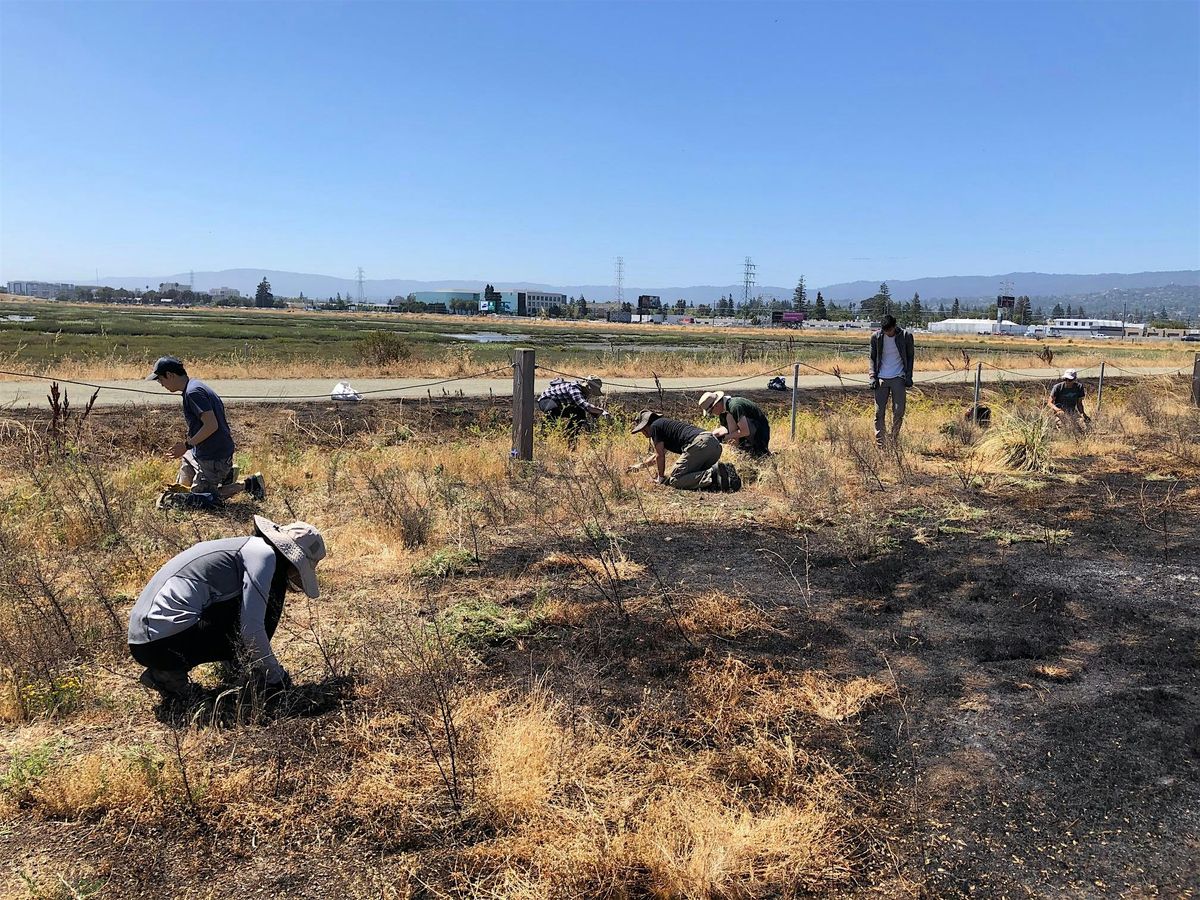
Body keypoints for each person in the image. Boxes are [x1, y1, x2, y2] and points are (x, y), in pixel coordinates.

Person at [128, 516, 326, 700]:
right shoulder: (265, 557)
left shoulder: (248, 548)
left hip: (144, 640)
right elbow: (252, 628)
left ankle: (172, 670)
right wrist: (276, 677)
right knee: (264, 609)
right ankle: (169, 675)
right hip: (161, 643)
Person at [147, 356, 265, 502]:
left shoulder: (193, 393)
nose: (161, 384)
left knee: (201, 498)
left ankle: (249, 484)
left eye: (160, 379)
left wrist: (186, 445)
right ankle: (224, 475)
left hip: (214, 457)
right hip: (200, 453)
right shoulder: (193, 386)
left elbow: (211, 425)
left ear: (170, 375)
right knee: (182, 489)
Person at [627, 409, 722, 490]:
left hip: (700, 444)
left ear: (646, 425)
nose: (643, 434)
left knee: (675, 479)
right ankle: (721, 477)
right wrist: (640, 466)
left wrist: (660, 479)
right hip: (714, 444)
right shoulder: (664, 425)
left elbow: (660, 456)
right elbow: (656, 457)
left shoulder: (654, 427)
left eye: (642, 430)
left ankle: (715, 475)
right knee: (691, 474)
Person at [869, 314, 915, 446]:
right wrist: (872, 376)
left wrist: (909, 376)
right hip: (881, 379)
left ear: (894, 326)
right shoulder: (876, 337)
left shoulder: (906, 336)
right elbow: (872, 357)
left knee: (899, 411)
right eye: (885, 330)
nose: (887, 333)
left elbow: (911, 357)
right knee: (879, 412)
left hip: (899, 378)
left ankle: (894, 439)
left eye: (889, 330)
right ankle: (880, 442)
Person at [537, 375, 607, 445]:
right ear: (587, 387)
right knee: (552, 413)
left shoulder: (584, 392)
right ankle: (543, 439)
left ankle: (569, 437)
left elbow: (585, 409)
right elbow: (585, 405)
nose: (591, 393)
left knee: (580, 413)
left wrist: (596, 415)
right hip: (546, 401)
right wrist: (601, 411)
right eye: (592, 391)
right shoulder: (574, 388)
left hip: (561, 405)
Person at [698, 391, 771, 456]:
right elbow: (725, 429)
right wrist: (712, 435)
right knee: (719, 431)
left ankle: (738, 451)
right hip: (750, 430)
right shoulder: (723, 411)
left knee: (730, 418)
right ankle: (741, 449)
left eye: (711, 412)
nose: (712, 414)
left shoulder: (734, 407)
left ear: (716, 405)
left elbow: (745, 431)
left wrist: (725, 438)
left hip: (760, 433)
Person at [1047, 369, 1090, 433]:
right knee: (1064, 429)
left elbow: (1079, 404)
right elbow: (1049, 403)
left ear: (1075, 379)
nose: (1067, 381)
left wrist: (1082, 414)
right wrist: (1058, 410)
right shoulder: (1057, 387)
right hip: (1060, 413)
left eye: (1070, 380)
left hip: (1073, 412)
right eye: (1065, 379)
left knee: (1083, 427)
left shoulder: (1079, 387)